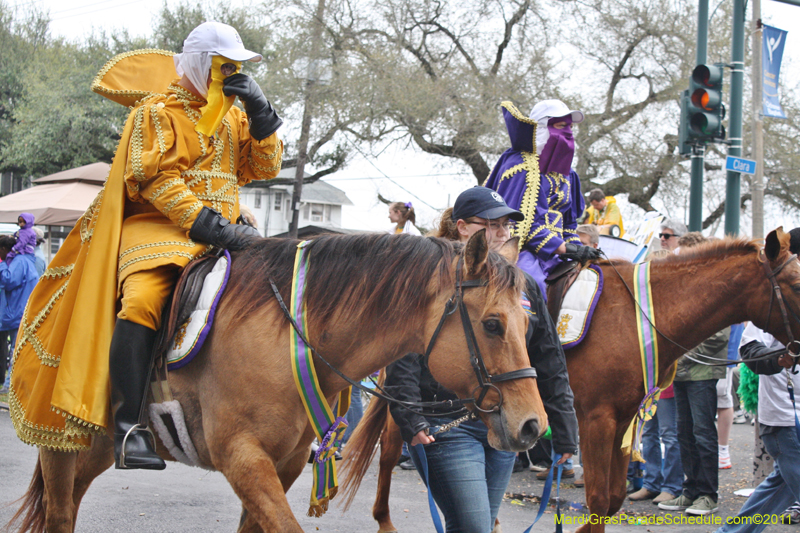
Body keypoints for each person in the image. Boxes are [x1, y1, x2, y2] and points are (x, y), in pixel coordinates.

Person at [9, 21, 284, 469]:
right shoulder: (156, 112)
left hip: (227, 231)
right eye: (222, 66)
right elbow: (154, 179)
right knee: (141, 302)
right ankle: (129, 426)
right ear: (198, 65)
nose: (230, 73)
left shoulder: (235, 114)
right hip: (161, 229)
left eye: (236, 66)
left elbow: (263, 168)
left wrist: (261, 114)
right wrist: (207, 225)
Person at [385, 186, 579, 532]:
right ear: (462, 227)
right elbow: (403, 355)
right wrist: (409, 417)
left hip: (501, 421)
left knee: (482, 526)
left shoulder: (524, 286)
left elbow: (549, 359)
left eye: (506, 225)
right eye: (491, 224)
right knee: (473, 526)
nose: (502, 232)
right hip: (444, 425)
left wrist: (564, 431)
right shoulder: (432, 279)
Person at [484, 100, 601, 299]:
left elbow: (569, 224)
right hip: (523, 249)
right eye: (561, 126)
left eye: (570, 127)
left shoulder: (569, 175)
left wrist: (579, 250)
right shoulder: (520, 165)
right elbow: (518, 224)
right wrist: (565, 248)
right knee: (531, 285)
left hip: (560, 252)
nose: (569, 133)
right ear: (542, 128)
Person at [659, 232, 729, 516]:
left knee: (703, 432)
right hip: (682, 371)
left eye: (687, 254)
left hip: (702, 369)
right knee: (684, 432)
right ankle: (690, 491)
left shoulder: (714, 287)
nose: (682, 258)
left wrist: (680, 346)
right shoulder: (684, 286)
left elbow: (719, 333)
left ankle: (708, 495)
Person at [713, 322, 800, 533]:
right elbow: (751, 350)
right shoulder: (775, 306)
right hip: (785, 419)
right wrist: (779, 358)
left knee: (778, 488)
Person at [628, 249, 683, 504]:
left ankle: (672, 485)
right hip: (646, 380)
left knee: (669, 434)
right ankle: (651, 482)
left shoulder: (678, 300)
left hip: (667, 380)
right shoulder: (642, 300)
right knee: (648, 432)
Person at [0, 235, 39, 394]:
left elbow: (8, 281)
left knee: (15, 349)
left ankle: (9, 385)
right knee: (16, 348)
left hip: (17, 312)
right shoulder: (25, 260)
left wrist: (1, 266)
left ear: (3, 249)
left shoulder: (19, 262)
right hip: (20, 310)